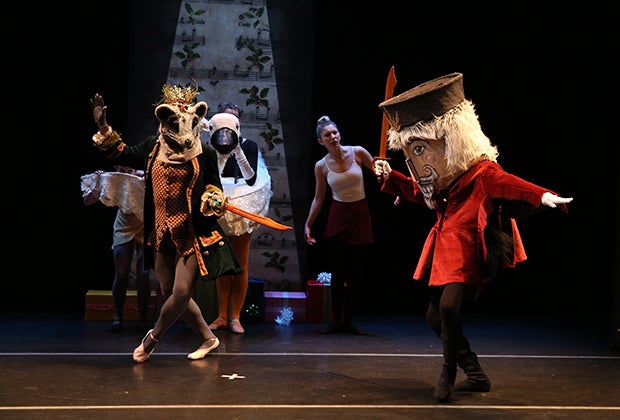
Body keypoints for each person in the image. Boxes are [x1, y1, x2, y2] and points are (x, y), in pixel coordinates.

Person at [373, 72, 574, 403]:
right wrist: (390, 177)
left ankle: (448, 372)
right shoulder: (443, 183)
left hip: (468, 248)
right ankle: (475, 373)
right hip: (444, 248)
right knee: (433, 317)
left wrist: (541, 195)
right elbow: (422, 194)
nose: (419, 161)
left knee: (449, 308)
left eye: (421, 149)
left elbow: (509, 183)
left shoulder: (482, 173)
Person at [89, 84, 243, 363]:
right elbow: (121, 153)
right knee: (172, 294)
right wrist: (103, 128)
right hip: (161, 232)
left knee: (181, 292)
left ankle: (152, 339)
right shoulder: (152, 148)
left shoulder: (204, 154)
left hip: (191, 233)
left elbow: (214, 187)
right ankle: (208, 339)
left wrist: (212, 199)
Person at [202, 103, 272, 334]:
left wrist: (237, 149)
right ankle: (222, 315)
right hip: (218, 206)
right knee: (222, 261)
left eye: (233, 120)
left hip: (241, 205)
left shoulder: (248, 145)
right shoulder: (209, 148)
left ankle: (235, 317)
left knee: (241, 262)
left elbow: (251, 178)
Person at [304, 115, 375, 335]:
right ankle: (336, 322)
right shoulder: (321, 166)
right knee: (338, 273)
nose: (333, 137)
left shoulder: (358, 152)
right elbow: (319, 198)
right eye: (327, 135)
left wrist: (397, 191)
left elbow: (381, 173)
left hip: (359, 215)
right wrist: (308, 224)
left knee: (355, 273)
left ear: (340, 134)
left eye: (335, 133)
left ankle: (349, 321)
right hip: (338, 216)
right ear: (321, 141)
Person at [81, 166, 152, 333]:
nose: (125, 172)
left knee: (143, 274)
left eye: (128, 169)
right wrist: (99, 182)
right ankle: (118, 316)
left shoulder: (144, 176)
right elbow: (87, 201)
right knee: (121, 273)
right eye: (121, 169)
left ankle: (143, 318)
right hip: (123, 226)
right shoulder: (116, 178)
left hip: (144, 225)